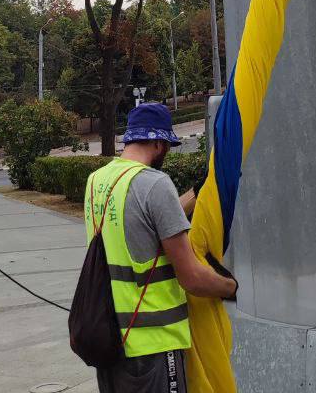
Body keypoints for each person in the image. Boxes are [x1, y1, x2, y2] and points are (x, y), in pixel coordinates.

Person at [85, 102, 237, 393]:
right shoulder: (155, 184)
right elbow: (191, 277)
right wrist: (230, 287)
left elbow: (142, 221)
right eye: (166, 145)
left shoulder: (97, 182)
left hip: (110, 342)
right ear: (157, 142)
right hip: (154, 346)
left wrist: (195, 193)